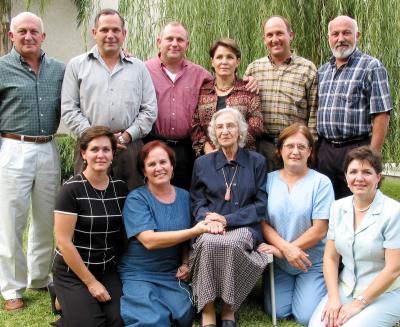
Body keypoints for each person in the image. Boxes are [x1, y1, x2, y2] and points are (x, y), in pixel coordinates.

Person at [0, 12, 64, 311]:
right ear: (11, 35)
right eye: (21, 31)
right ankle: (11, 286)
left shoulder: (59, 70)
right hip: (13, 146)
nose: (28, 36)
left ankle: (38, 278)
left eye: (34, 31)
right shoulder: (1, 68)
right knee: (11, 220)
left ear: (43, 36)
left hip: (48, 147)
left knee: (46, 218)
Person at [145, 22, 257, 190]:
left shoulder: (200, 75)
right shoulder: (143, 70)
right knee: (153, 192)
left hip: (186, 149)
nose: (175, 44)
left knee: (186, 194)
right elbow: (198, 122)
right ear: (158, 42)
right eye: (169, 39)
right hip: (153, 143)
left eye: (180, 40)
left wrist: (249, 80)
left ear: (187, 45)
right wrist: (206, 146)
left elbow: (225, 81)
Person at [190, 108, 271, 327]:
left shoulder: (257, 162)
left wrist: (228, 220)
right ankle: (207, 308)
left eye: (230, 125)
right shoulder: (202, 164)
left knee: (232, 243)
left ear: (240, 131)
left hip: (245, 226)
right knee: (206, 242)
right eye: (220, 127)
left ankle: (228, 308)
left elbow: (260, 204)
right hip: (211, 225)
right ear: (214, 133)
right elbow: (197, 201)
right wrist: (209, 220)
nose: (225, 131)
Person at [61, 8, 157, 190]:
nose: (110, 35)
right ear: (94, 32)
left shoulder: (139, 68)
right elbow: (69, 109)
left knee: (131, 205)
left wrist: (127, 136)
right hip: (90, 148)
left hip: (129, 148)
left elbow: (149, 109)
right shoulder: (76, 66)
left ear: (124, 34)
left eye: (116, 30)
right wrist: (98, 138)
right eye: (104, 30)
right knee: (89, 203)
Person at [118, 141, 210, 327]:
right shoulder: (137, 198)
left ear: (172, 166)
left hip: (171, 273)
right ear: (144, 171)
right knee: (151, 319)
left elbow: (186, 241)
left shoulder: (185, 196)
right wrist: (194, 230)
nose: (158, 168)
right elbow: (149, 241)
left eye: (163, 162)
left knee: (183, 315)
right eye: (151, 164)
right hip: (140, 272)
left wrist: (185, 263)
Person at [309, 146, 400, 327]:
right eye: (353, 172)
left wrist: (358, 304)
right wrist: (334, 298)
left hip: (386, 292)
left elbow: (393, 269)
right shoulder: (337, 207)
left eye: (367, 172)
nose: (359, 178)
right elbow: (330, 257)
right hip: (345, 287)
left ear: (378, 177)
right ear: (346, 177)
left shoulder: (394, 212)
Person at [258, 123, 334, 325]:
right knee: (278, 311)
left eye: (301, 147)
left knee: (305, 316)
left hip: (311, 261)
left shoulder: (321, 183)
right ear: (280, 150)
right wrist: (284, 251)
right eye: (289, 146)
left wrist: (286, 250)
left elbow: (320, 230)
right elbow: (263, 222)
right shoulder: (268, 180)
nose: (295, 151)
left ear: (310, 151)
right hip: (280, 264)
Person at [52, 126, 127, 327]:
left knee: (120, 321)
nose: (100, 155)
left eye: (106, 149)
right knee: (94, 324)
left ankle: (68, 303)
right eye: (94, 149)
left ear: (113, 154)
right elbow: (63, 241)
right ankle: (64, 296)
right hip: (72, 270)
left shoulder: (120, 188)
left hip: (106, 268)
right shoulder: (70, 190)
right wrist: (91, 283)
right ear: (83, 153)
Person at [317, 15, 392, 199]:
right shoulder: (322, 71)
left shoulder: (371, 67)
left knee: (358, 202)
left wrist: (371, 155)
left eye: (346, 33)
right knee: (325, 206)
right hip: (325, 151)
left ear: (357, 35)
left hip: (356, 148)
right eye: (335, 34)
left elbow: (382, 114)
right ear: (329, 38)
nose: (340, 38)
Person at [245, 15, 318, 171]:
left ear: (290, 35)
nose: (275, 39)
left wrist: (310, 148)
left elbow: (314, 114)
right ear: (264, 39)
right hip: (262, 147)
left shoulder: (307, 69)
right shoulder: (254, 69)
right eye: (269, 35)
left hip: (294, 148)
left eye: (279, 33)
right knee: (263, 192)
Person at [192, 38, 263, 156]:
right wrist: (207, 148)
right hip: (210, 157)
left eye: (230, 57)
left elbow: (256, 125)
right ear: (212, 62)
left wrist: (232, 146)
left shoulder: (248, 90)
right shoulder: (203, 91)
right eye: (219, 57)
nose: (224, 62)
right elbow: (195, 125)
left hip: (243, 156)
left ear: (237, 61)